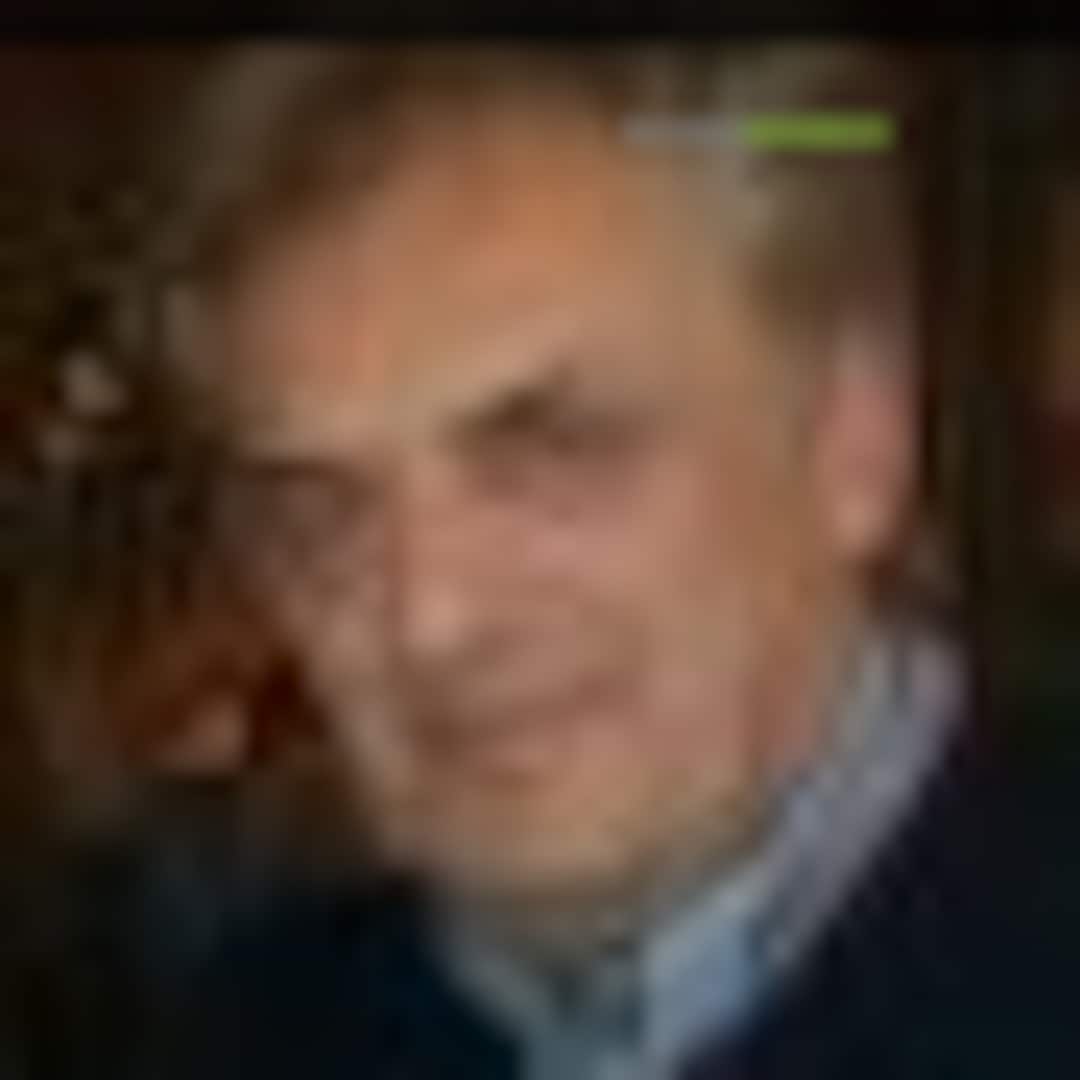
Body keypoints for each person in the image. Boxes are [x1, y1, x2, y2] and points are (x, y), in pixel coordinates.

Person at [151, 44, 1077, 1080]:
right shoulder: (252, 1027)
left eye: (551, 450)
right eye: (323, 516)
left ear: (851, 438)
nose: (429, 617)